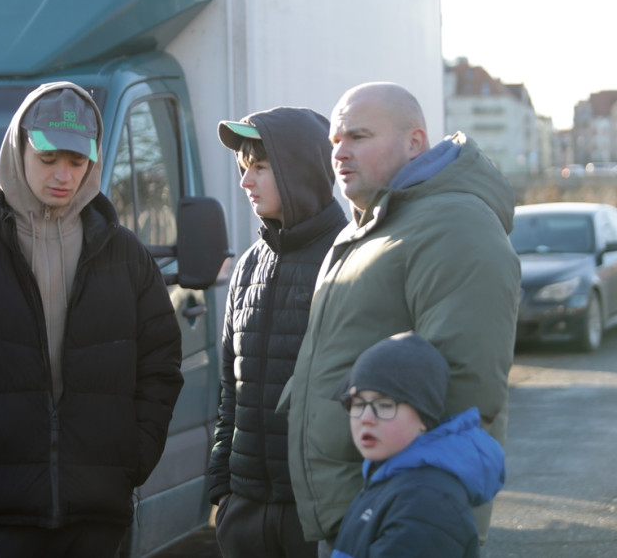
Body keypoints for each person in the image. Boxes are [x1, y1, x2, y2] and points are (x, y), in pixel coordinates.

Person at [0, 82, 184, 558]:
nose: (63, 175)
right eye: (48, 159)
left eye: (77, 161)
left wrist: (131, 457)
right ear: (17, 147)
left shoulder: (126, 254)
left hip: (95, 515)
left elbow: (160, 365)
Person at [282, 82, 520, 555]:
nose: (340, 153)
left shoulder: (454, 225)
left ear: (415, 142)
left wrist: (406, 504)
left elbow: (465, 384)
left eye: (358, 137)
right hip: (363, 506)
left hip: (406, 517)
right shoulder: (371, 227)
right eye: (335, 141)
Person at [208, 107, 347, 558]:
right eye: (245, 169)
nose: (246, 182)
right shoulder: (248, 265)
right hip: (246, 515)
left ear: (301, 171)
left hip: (318, 516)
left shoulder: (350, 258)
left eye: (261, 168)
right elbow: (231, 388)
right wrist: (224, 492)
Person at [332, 332, 505, 558]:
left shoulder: (426, 503)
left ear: (424, 417)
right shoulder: (387, 478)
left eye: (384, 405)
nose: (365, 417)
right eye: (357, 404)